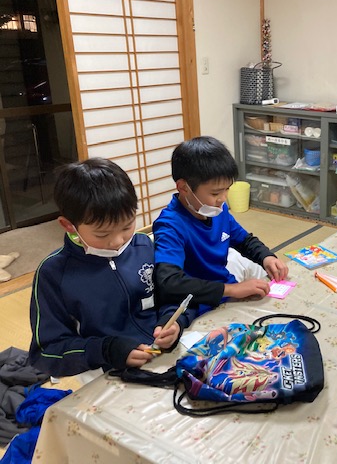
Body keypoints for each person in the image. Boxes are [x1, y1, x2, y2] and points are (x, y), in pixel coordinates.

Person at [29, 158, 180, 377]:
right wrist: (105, 350)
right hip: (104, 370)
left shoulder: (144, 246)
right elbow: (46, 352)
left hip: (162, 354)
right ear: (69, 225)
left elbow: (173, 296)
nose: (118, 241)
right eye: (102, 234)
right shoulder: (53, 274)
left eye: (127, 226)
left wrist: (173, 321)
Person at [153, 136, 288, 321]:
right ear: (184, 187)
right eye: (215, 192)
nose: (223, 198)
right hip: (194, 305)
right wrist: (232, 289)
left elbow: (244, 240)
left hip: (226, 292)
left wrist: (267, 257)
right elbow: (170, 282)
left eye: (227, 189)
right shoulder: (170, 225)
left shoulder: (217, 209)